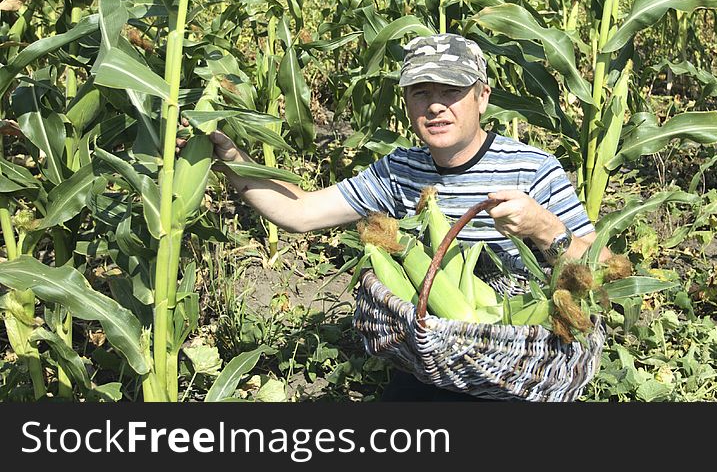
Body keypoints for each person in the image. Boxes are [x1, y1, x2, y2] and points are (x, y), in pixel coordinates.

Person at [204, 33, 611, 400]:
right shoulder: (400, 170)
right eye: (421, 92)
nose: (435, 105)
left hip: (523, 367)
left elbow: (604, 266)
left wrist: (546, 229)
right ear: (407, 103)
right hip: (434, 361)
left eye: (451, 90)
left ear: (482, 97)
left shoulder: (531, 168)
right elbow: (300, 212)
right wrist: (233, 161)